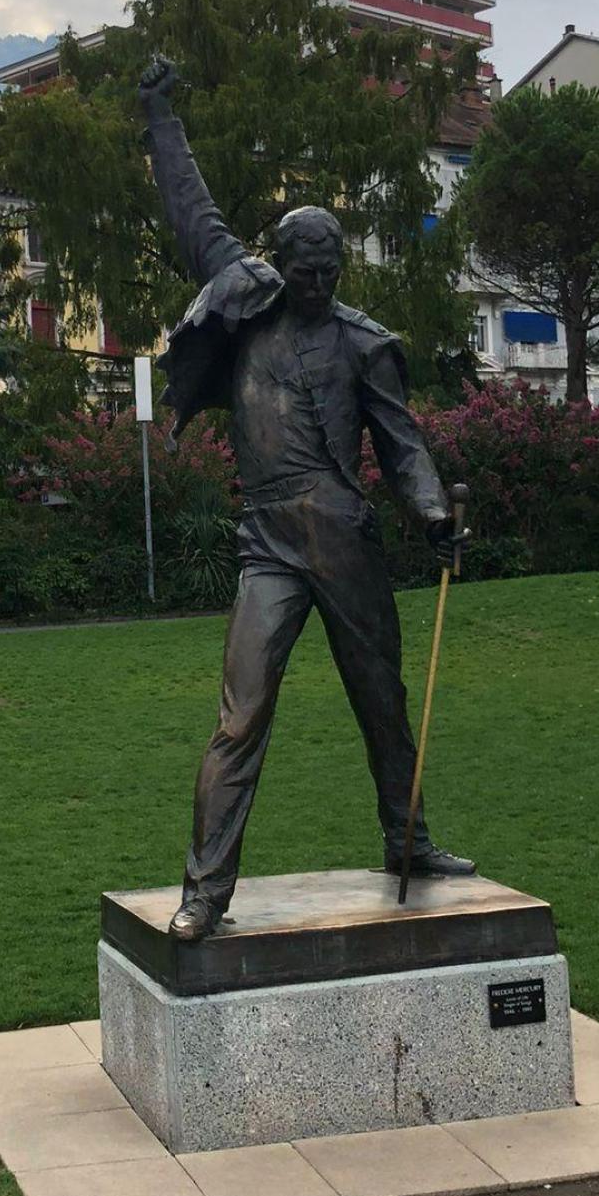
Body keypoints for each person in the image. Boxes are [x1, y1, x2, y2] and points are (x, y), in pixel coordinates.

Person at [141, 56, 475, 942]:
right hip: (270, 541)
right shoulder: (245, 301)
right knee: (241, 713)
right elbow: (192, 208)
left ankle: (409, 843)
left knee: (382, 699)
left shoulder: (366, 345)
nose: (318, 283)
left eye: (330, 270)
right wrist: (160, 117)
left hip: (345, 538)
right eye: (305, 269)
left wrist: (432, 512)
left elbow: (403, 445)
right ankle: (206, 889)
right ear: (281, 263)